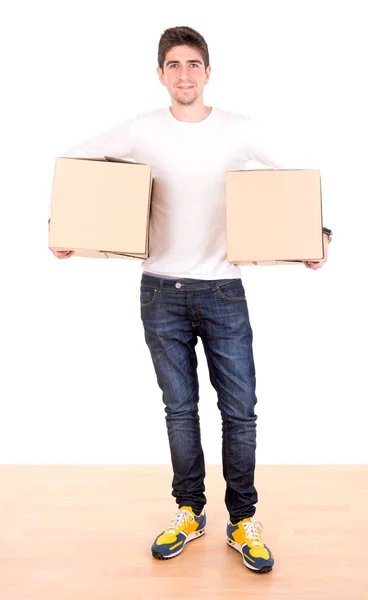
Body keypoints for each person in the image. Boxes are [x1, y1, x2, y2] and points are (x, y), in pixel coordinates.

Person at [48, 26, 332, 573]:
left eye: (193, 64)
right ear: (161, 74)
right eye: (173, 65)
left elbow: (297, 178)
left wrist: (315, 239)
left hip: (224, 289)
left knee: (240, 412)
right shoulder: (141, 130)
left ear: (208, 72)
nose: (184, 74)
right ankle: (188, 511)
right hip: (160, 290)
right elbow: (75, 163)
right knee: (180, 410)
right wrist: (69, 228)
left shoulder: (238, 131)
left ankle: (243, 520)